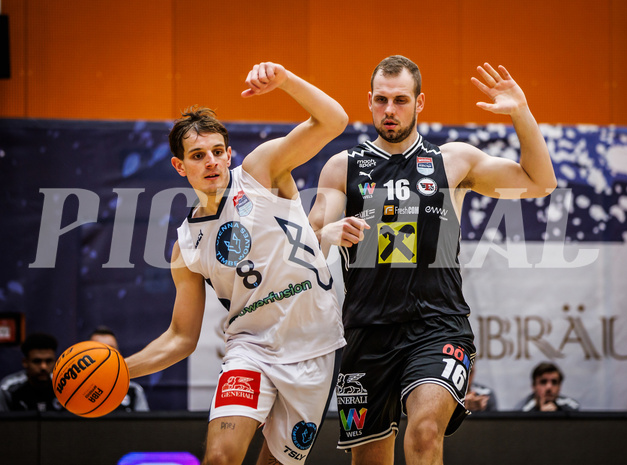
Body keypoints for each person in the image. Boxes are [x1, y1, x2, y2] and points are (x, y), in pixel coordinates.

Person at [308, 55, 556, 465]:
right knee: (370, 459)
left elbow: (540, 183)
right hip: (367, 332)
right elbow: (307, 247)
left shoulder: (453, 160)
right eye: (382, 100)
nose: (390, 110)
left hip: (437, 326)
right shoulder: (343, 166)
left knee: (424, 433)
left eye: (401, 100)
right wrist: (326, 235)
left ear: (420, 103)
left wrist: (522, 113)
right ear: (369, 101)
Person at [124, 62, 348, 465]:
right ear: (180, 166)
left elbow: (334, 121)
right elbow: (180, 338)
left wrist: (285, 81)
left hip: (315, 345)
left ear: (229, 154)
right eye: (197, 155)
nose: (210, 161)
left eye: (216, 152)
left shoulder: (261, 172)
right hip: (251, 350)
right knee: (220, 459)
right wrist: (122, 371)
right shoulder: (186, 246)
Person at [0, 332, 63, 412]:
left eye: (49, 361)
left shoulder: (64, 385)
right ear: (25, 362)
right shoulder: (8, 388)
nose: (43, 367)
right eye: (37, 361)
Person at [89, 325, 149, 412]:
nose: (105, 354)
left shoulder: (133, 390)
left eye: (111, 349)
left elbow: (144, 424)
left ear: (119, 354)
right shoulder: (71, 387)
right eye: (99, 349)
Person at [515, 362, 579, 412]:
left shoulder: (570, 405)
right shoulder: (524, 410)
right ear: (534, 386)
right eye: (543, 382)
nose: (549, 387)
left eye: (554, 382)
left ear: (559, 386)